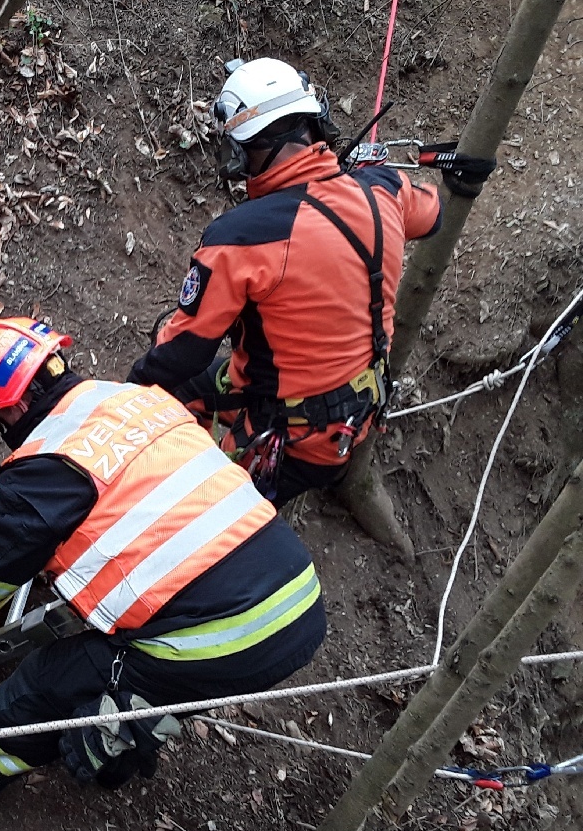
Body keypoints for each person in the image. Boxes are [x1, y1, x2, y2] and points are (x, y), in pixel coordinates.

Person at [0, 317, 325, 804]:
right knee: (129, 678)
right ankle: (137, 714)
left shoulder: (47, 466)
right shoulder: (135, 399)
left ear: (18, 406)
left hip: (226, 632)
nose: (1, 430)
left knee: (51, 679)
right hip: (296, 595)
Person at [127, 57, 443, 506]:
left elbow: (180, 353)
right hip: (357, 415)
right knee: (198, 387)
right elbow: (433, 214)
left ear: (246, 149)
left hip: (286, 439)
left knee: (197, 500)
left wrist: (122, 399)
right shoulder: (385, 191)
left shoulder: (241, 237)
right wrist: (356, 177)